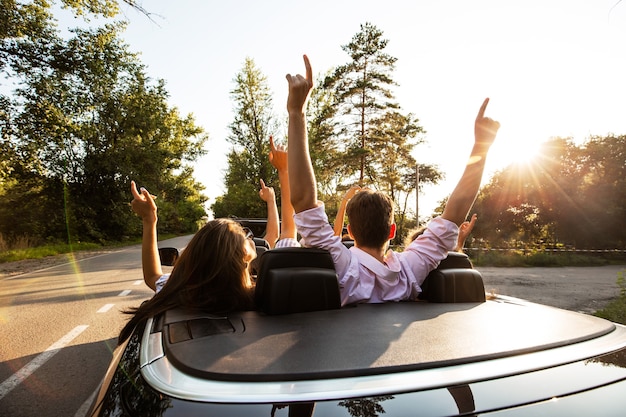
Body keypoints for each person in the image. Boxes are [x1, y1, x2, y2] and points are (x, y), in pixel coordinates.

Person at [285, 55, 500, 306]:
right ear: (392, 230)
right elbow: (455, 214)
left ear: (350, 231)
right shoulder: (408, 273)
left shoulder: (343, 267)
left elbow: (302, 201)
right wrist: (481, 147)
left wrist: (297, 113)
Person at [118, 181, 258, 344]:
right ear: (243, 263)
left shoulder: (181, 292)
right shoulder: (261, 298)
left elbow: (152, 276)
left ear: (194, 257)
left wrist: (149, 220)